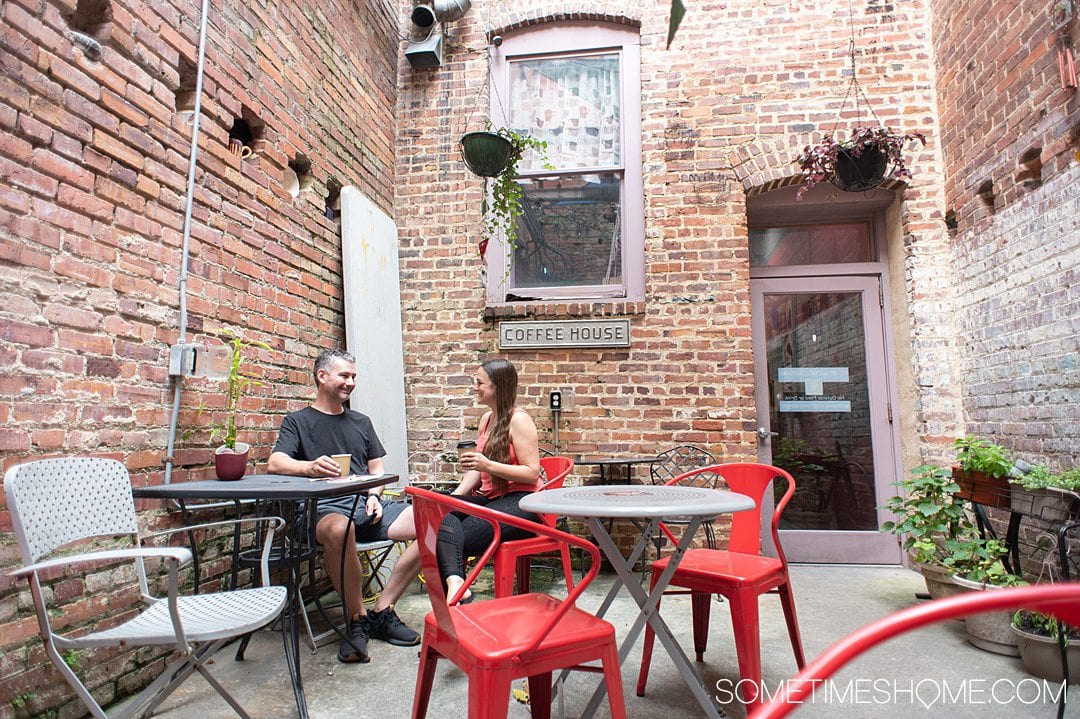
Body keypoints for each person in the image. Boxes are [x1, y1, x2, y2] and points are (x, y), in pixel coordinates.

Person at [268, 349, 421, 663]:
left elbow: (377, 471)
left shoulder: (361, 422)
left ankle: (382, 610)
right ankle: (357, 620)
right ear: (322, 376)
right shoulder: (297, 421)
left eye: (354, 377)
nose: (351, 382)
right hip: (318, 514)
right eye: (344, 375)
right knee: (341, 527)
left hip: (363, 506)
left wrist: (374, 496)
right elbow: (275, 462)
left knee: (432, 521)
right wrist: (308, 467)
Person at [440, 358, 543, 603]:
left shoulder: (519, 420)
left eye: (479, 383)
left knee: (453, 537)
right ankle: (457, 585)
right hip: (492, 499)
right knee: (441, 514)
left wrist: (487, 464)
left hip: (525, 503)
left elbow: (531, 472)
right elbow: (476, 469)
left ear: (498, 386)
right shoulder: (486, 419)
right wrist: (456, 497)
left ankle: (456, 590)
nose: (474, 387)